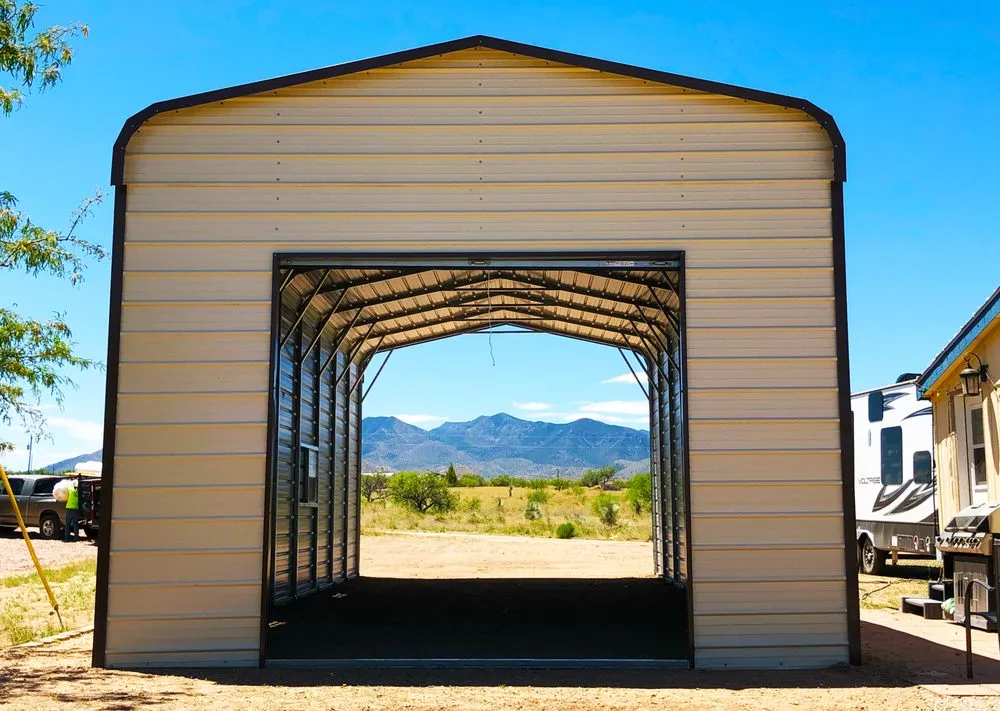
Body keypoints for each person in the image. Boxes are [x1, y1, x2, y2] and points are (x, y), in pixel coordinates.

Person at [64, 477, 80, 543]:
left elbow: (66, 487)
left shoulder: (70, 490)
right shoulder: (78, 492)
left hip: (69, 509)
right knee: (76, 524)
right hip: (75, 510)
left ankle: (67, 539)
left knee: (67, 525)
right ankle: (76, 538)